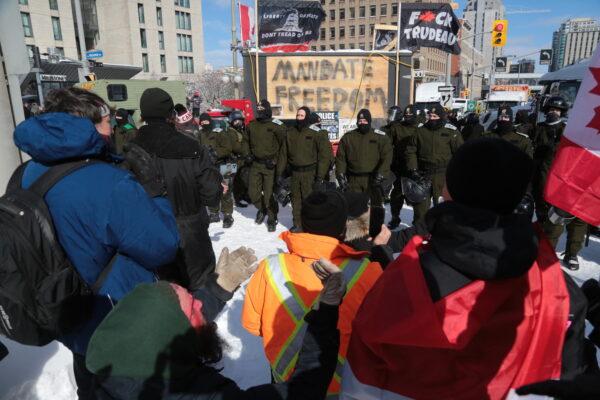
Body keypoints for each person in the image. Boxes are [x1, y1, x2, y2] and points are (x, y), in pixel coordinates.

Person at [341, 138, 588, 400]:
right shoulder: (559, 290)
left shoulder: (403, 283)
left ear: (451, 190)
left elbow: (362, 381)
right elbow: (571, 378)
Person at [12, 87, 180, 399]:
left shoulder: (26, 172)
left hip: (67, 315)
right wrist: (154, 191)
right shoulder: (108, 183)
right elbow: (163, 244)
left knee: (89, 387)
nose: (113, 126)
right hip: (118, 322)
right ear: (85, 127)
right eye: (106, 120)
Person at [86, 246, 347, 399]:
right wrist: (326, 311)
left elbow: (180, 317)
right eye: (193, 307)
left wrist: (218, 287)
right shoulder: (202, 394)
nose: (201, 304)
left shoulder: (109, 378)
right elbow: (302, 393)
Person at [242, 190, 383, 398]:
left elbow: (253, 325)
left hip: (285, 387)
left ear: (302, 223)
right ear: (345, 227)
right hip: (346, 389)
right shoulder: (369, 272)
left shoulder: (270, 268)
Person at [129, 88, 223, 291]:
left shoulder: (130, 149)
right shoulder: (192, 147)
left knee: (164, 294)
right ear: (171, 115)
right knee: (200, 291)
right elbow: (211, 193)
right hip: (192, 231)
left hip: (151, 234)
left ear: (143, 115)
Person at [532, 95, 588, 270]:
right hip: (540, 179)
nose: (553, 113)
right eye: (550, 110)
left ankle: (571, 254)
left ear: (562, 112)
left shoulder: (567, 131)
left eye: (556, 110)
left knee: (565, 220)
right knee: (543, 218)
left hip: (564, 183)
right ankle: (542, 251)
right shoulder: (537, 128)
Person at [277, 106, 333, 232]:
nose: (299, 118)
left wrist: (320, 177)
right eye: (297, 115)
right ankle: (298, 224)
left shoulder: (316, 133)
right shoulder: (290, 133)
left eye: (302, 116)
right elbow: (283, 154)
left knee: (310, 201)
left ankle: (312, 225)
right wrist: (279, 173)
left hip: (310, 173)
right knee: (296, 200)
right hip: (295, 173)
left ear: (307, 117)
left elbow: (324, 156)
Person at [405, 105, 463, 225]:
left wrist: (456, 172)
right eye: (430, 116)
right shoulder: (420, 131)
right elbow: (411, 150)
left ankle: (443, 233)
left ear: (441, 117)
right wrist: (413, 168)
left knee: (443, 208)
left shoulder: (451, 131)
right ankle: (419, 233)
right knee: (420, 207)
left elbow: (461, 153)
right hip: (423, 173)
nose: (432, 118)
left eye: (435, 116)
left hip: (443, 174)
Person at [335, 109, 392, 208]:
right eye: (360, 121)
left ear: (369, 122)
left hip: (374, 179)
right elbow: (341, 158)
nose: (362, 123)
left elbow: (387, 156)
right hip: (353, 180)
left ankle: (375, 224)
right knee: (354, 208)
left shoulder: (380, 137)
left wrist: (381, 174)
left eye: (365, 121)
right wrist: (340, 175)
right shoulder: (348, 137)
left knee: (375, 208)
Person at [247, 99, 287, 232]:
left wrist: (276, 160)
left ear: (268, 110)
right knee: (253, 193)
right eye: (258, 109)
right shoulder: (252, 125)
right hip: (256, 164)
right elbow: (246, 142)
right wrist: (248, 154)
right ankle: (262, 209)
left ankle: (271, 217)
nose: (260, 112)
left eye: (263, 109)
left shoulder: (277, 125)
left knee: (269, 194)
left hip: (271, 166)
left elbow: (284, 147)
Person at [197, 113, 237, 226]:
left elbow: (228, 147)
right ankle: (214, 213)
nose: (204, 123)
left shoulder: (219, 132)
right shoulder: (200, 134)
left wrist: (215, 153)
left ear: (210, 121)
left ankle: (228, 215)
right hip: (209, 167)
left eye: (206, 121)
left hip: (225, 164)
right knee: (211, 189)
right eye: (202, 122)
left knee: (226, 190)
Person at [383, 105, 419, 229]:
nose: (408, 117)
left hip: (415, 167)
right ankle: (395, 217)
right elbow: (387, 144)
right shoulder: (397, 128)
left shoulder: (420, 128)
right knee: (397, 195)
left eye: (410, 115)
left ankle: (417, 221)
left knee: (416, 195)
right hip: (399, 166)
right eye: (406, 115)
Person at [229, 111, 252, 208]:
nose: (238, 123)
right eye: (235, 122)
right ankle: (236, 199)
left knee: (243, 179)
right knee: (232, 181)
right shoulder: (230, 132)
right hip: (231, 160)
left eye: (240, 121)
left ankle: (244, 195)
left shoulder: (242, 131)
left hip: (241, 160)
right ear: (231, 122)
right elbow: (236, 147)